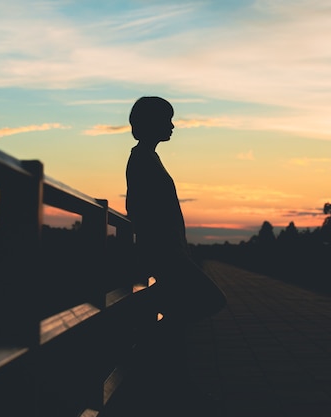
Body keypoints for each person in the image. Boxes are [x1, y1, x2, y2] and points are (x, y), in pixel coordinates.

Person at [124, 96, 226, 415]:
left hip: (169, 251)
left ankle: (177, 387)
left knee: (178, 320)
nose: (172, 125)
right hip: (165, 253)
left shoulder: (147, 157)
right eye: (167, 119)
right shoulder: (142, 158)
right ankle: (146, 341)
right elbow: (138, 208)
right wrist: (168, 249)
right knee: (209, 300)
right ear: (150, 122)